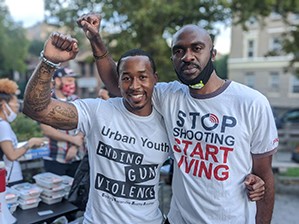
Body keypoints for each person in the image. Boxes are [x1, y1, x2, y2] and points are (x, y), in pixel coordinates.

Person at [23, 33, 265, 224]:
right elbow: (36, 109)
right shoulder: (98, 111)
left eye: (142, 77)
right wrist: (48, 61)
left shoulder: (169, 121)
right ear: (117, 82)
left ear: (155, 80)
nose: (134, 85)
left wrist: (251, 179)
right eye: (126, 77)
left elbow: (204, 154)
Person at [77, 13, 278, 224]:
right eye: (178, 51)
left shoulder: (252, 103)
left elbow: (264, 176)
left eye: (197, 48)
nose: (187, 56)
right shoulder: (170, 96)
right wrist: (96, 41)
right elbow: (118, 83)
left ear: (213, 54)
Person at [41, 67, 86, 177]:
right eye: (69, 80)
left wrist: (75, 146)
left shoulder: (77, 100)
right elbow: (47, 129)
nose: (72, 84)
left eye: (73, 81)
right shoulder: (47, 101)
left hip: (77, 156)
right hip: (55, 157)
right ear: (57, 81)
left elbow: (85, 125)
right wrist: (73, 140)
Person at [0, 78, 46, 184]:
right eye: (15, 104)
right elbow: (11, 155)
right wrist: (30, 143)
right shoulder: (3, 125)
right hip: (9, 179)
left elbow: (8, 149)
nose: (17, 108)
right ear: (3, 105)